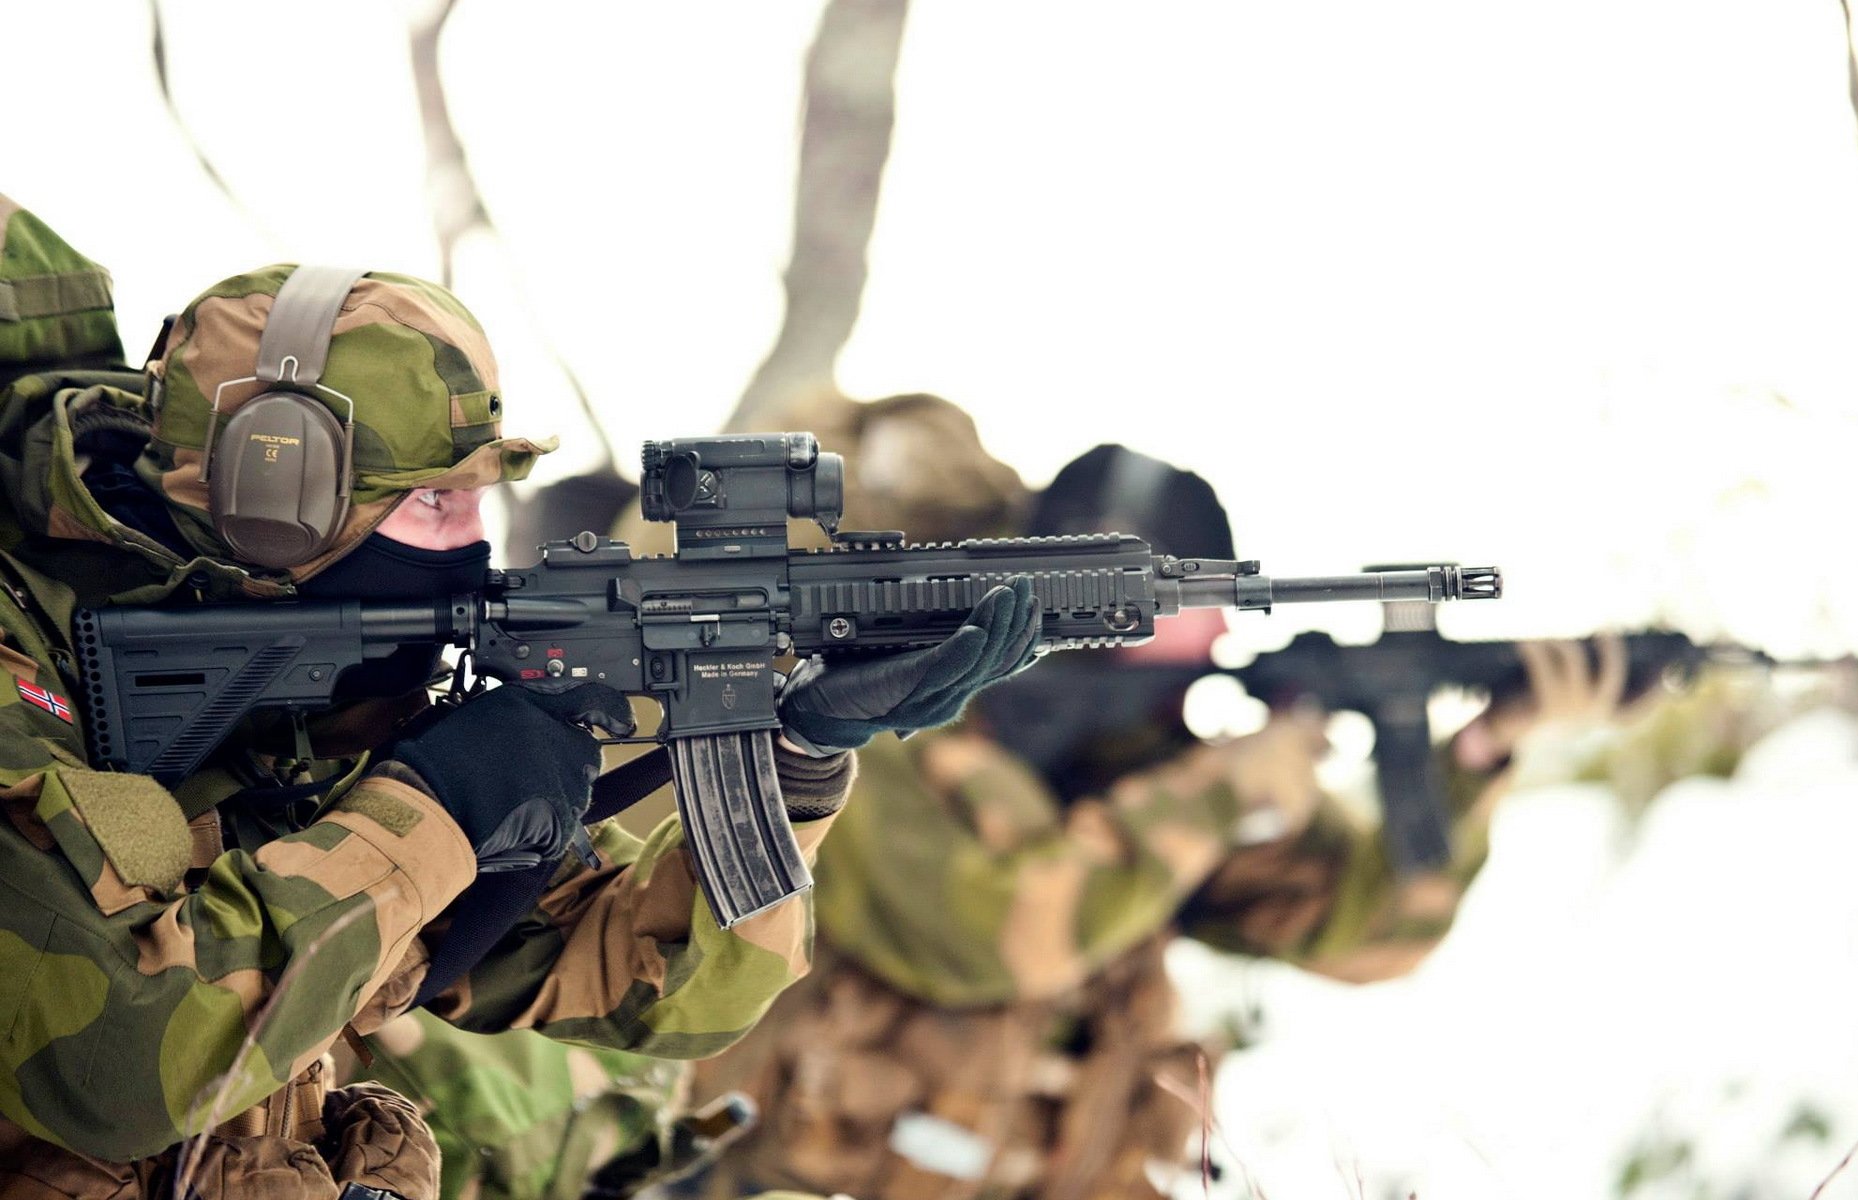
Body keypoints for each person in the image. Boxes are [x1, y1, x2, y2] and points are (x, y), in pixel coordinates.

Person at [0, 199, 1036, 1198]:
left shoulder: (341, 696)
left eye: (483, 497)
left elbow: (659, 992)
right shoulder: (26, 661)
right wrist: (436, 806)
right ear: (278, 503)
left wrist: (797, 752)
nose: (472, 543)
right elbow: (115, 1068)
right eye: (435, 502)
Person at [676, 436, 1496, 1200]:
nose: (1218, 630)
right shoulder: (874, 729)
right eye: (1192, 599)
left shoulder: (1143, 766)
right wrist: (1219, 794)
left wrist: (1477, 759)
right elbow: (986, 939)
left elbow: (1369, 939)